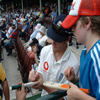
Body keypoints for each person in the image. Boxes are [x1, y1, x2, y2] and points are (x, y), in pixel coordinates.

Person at [16, 14, 79, 100]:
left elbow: (65, 98)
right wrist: (35, 77)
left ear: (67, 39)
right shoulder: (45, 50)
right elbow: (41, 73)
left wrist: (43, 85)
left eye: (58, 39)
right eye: (52, 37)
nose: (53, 42)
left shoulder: (73, 64)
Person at [61, 0, 100, 100]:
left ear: (87, 22)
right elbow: (91, 86)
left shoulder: (98, 56)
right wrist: (75, 79)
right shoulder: (85, 50)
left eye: (74, 24)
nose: (71, 29)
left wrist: (79, 97)